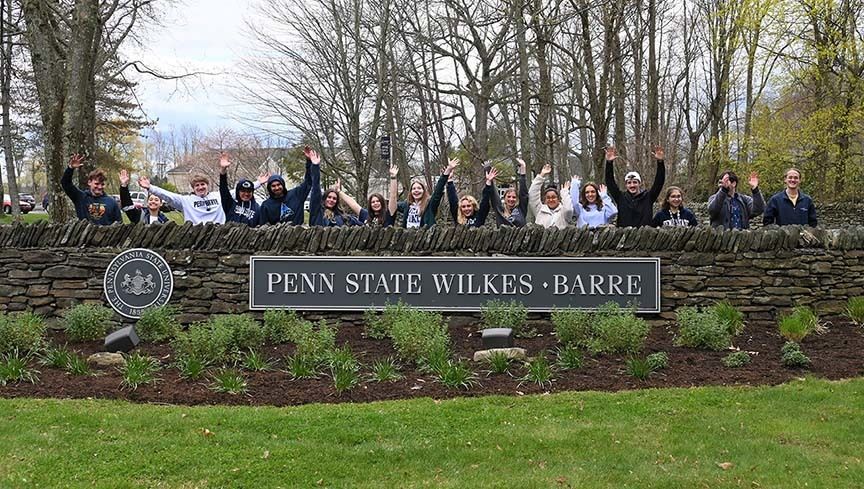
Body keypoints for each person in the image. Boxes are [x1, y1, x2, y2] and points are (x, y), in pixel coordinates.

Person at [140, 155, 227, 224]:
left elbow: (237, 191)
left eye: (202, 184)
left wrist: (223, 170)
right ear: (193, 188)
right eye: (197, 185)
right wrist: (150, 187)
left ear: (207, 185)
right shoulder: (186, 201)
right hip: (197, 237)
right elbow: (168, 196)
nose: (200, 187)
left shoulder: (219, 196)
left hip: (218, 236)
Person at [604, 146, 666, 227]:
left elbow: (659, 182)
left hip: (644, 236)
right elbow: (610, 182)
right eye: (629, 183)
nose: (632, 185)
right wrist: (609, 163)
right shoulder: (621, 198)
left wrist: (660, 162)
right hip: (624, 237)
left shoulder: (648, 197)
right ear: (626, 185)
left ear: (639, 183)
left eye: (635, 182)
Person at [257, 146, 318, 226]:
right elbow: (263, 226)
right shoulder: (266, 205)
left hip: (299, 235)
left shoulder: (296, 194)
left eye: (279, 185)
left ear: (283, 184)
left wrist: (309, 162)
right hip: (278, 237)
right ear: (269, 188)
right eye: (273, 186)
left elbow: (308, 182)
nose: (276, 188)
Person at [387, 159, 453, 229]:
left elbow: (438, 192)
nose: (416, 190)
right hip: (408, 236)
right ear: (411, 192)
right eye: (414, 189)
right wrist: (393, 178)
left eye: (419, 188)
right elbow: (393, 202)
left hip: (424, 236)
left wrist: (446, 173)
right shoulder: (406, 205)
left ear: (424, 191)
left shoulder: (430, 204)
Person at [61, 154, 122, 225]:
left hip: (106, 235)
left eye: (102, 184)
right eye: (96, 184)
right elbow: (65, 183)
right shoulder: (80, 198)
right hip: (85, 235)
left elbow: (119, 224)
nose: (99, 187)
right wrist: (70, 168)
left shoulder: (112, 202)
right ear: (89, 182)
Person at [218, 152, 267, 226]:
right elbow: (223, 189)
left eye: (249, 191)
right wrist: (223, 171)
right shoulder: (230, 204)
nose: (246, 194)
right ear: (238, 191)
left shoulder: (258, 209)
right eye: (243, 191)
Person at [485, 159, 529, 227]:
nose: (511, 199)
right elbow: (494, 196)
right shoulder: (500, 210)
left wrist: (523, 171)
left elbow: (524, 194)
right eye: (508, 196)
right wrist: (490, 180)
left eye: (514, 197)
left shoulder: (521, 209)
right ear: (504, 198)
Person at [528, 163, 573, 230]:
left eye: (553, 197)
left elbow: (569, 210)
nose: (551, 200)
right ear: (545, 199)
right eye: (548, 198)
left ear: (558, 199)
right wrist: (541, 175)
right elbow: (532, 194)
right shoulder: (539, 210)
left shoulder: (563, 212)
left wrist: (565, 192)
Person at [446, 162, 491, 227]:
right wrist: (449, 180)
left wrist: (488, 182)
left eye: (469, 206)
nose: (466, 209)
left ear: (473, 206)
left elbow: (485, 202)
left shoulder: (479, 216)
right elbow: (452, 199)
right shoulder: (458, 216)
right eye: (463, 207)